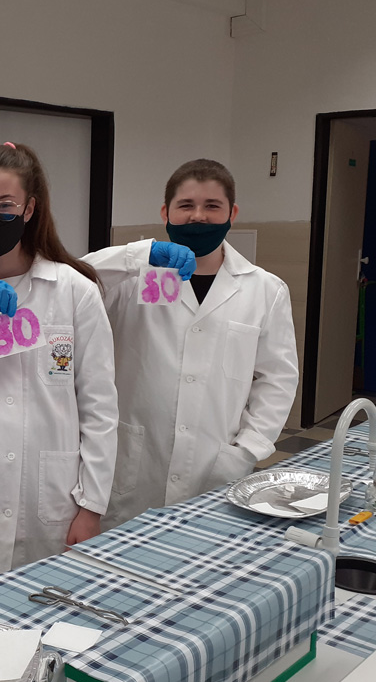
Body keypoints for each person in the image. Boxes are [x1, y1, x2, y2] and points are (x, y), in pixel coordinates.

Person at [0, 142, 118, 595]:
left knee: (46, 614)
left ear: (29, 209)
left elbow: (99, 405)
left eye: (4, 205)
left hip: (52, 495)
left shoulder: (74, 290)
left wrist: (91, 505)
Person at [83, 158, 299, 526]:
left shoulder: (264, 290)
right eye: (186, 205)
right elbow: (71, 279)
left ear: (232, 214)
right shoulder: (133, 278)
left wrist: (248, 448)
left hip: (215, 462)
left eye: (212, 206)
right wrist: (138, 255)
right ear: (165, 212)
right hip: (133, 463)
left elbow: (277, 379)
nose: (198, 216)